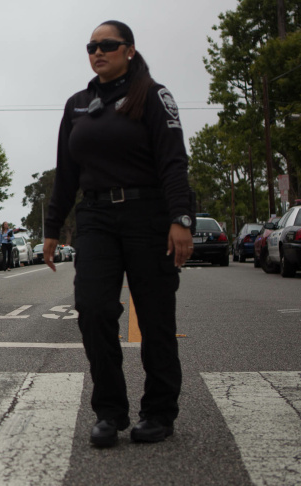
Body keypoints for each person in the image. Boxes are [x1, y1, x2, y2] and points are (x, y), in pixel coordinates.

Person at [43, 20, 194, 448]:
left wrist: (180, 218)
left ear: (129, 50)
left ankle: (159, 412)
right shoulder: (77, 104)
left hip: (149, 216)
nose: (97, 52)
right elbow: (66, 173)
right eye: (91, 46)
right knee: (92, 309)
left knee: (155, 316)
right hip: (94, 218)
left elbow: (172, 162)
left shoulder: (153, 95)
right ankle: (109, 411)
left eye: (107, 45)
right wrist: (53, 228)